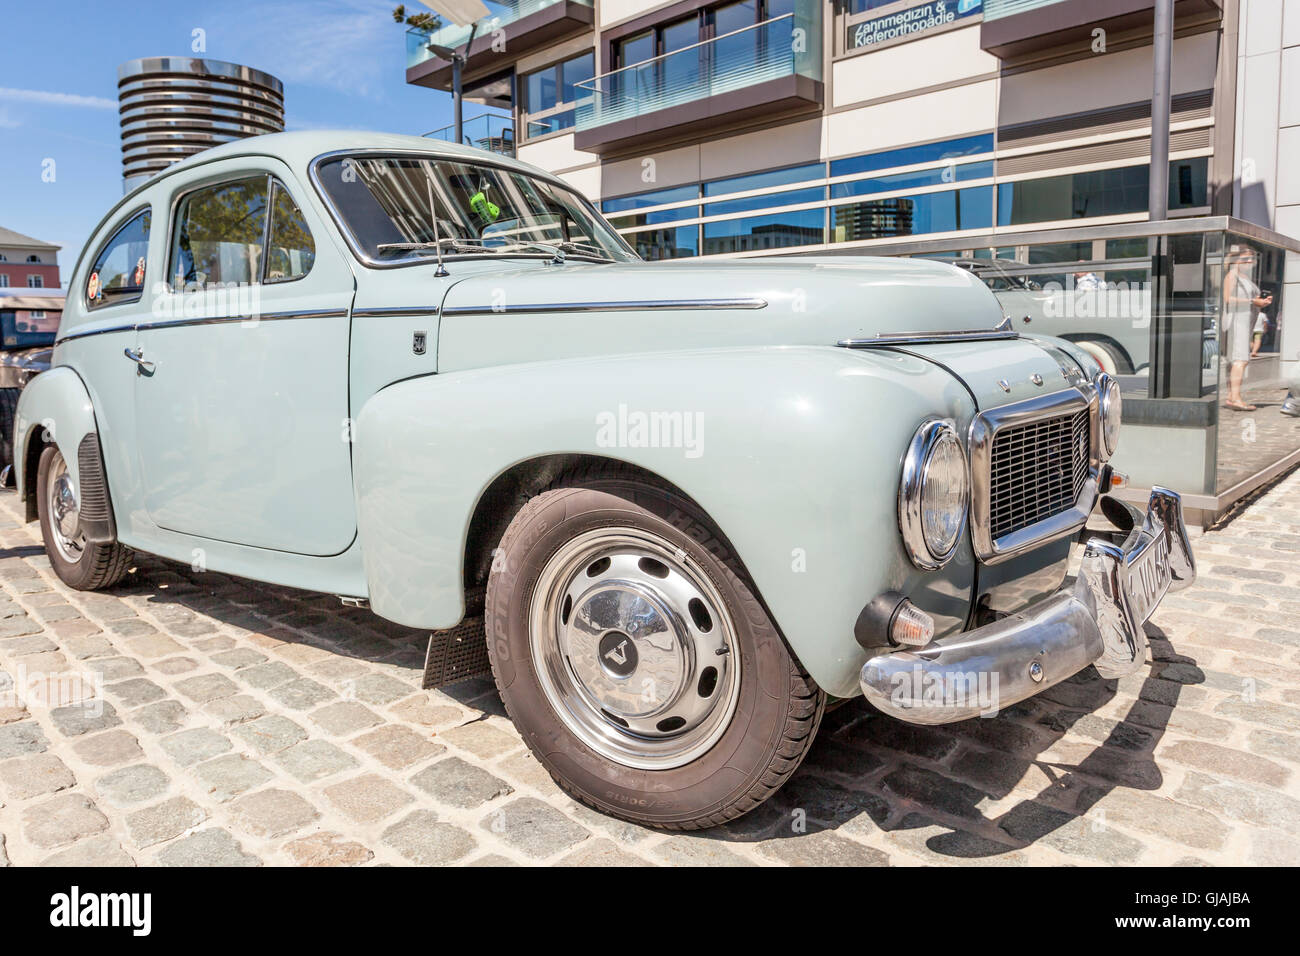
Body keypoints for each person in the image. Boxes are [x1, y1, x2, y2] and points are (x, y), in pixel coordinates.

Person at [1222, 245, 1272, 411]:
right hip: (1237, 321)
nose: (1250, 261)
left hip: (1246, 321)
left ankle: (1231, 397)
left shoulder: (1244, 277)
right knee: (1241, 359)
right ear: (1236, 260)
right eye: (1245, 258)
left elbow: (1249, 298)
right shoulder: (1232, 275)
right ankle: (1235, 398)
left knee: (1237, 360)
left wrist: (1262, 301)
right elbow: (1228, 299)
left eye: (1251, 258)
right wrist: (1252, 302)